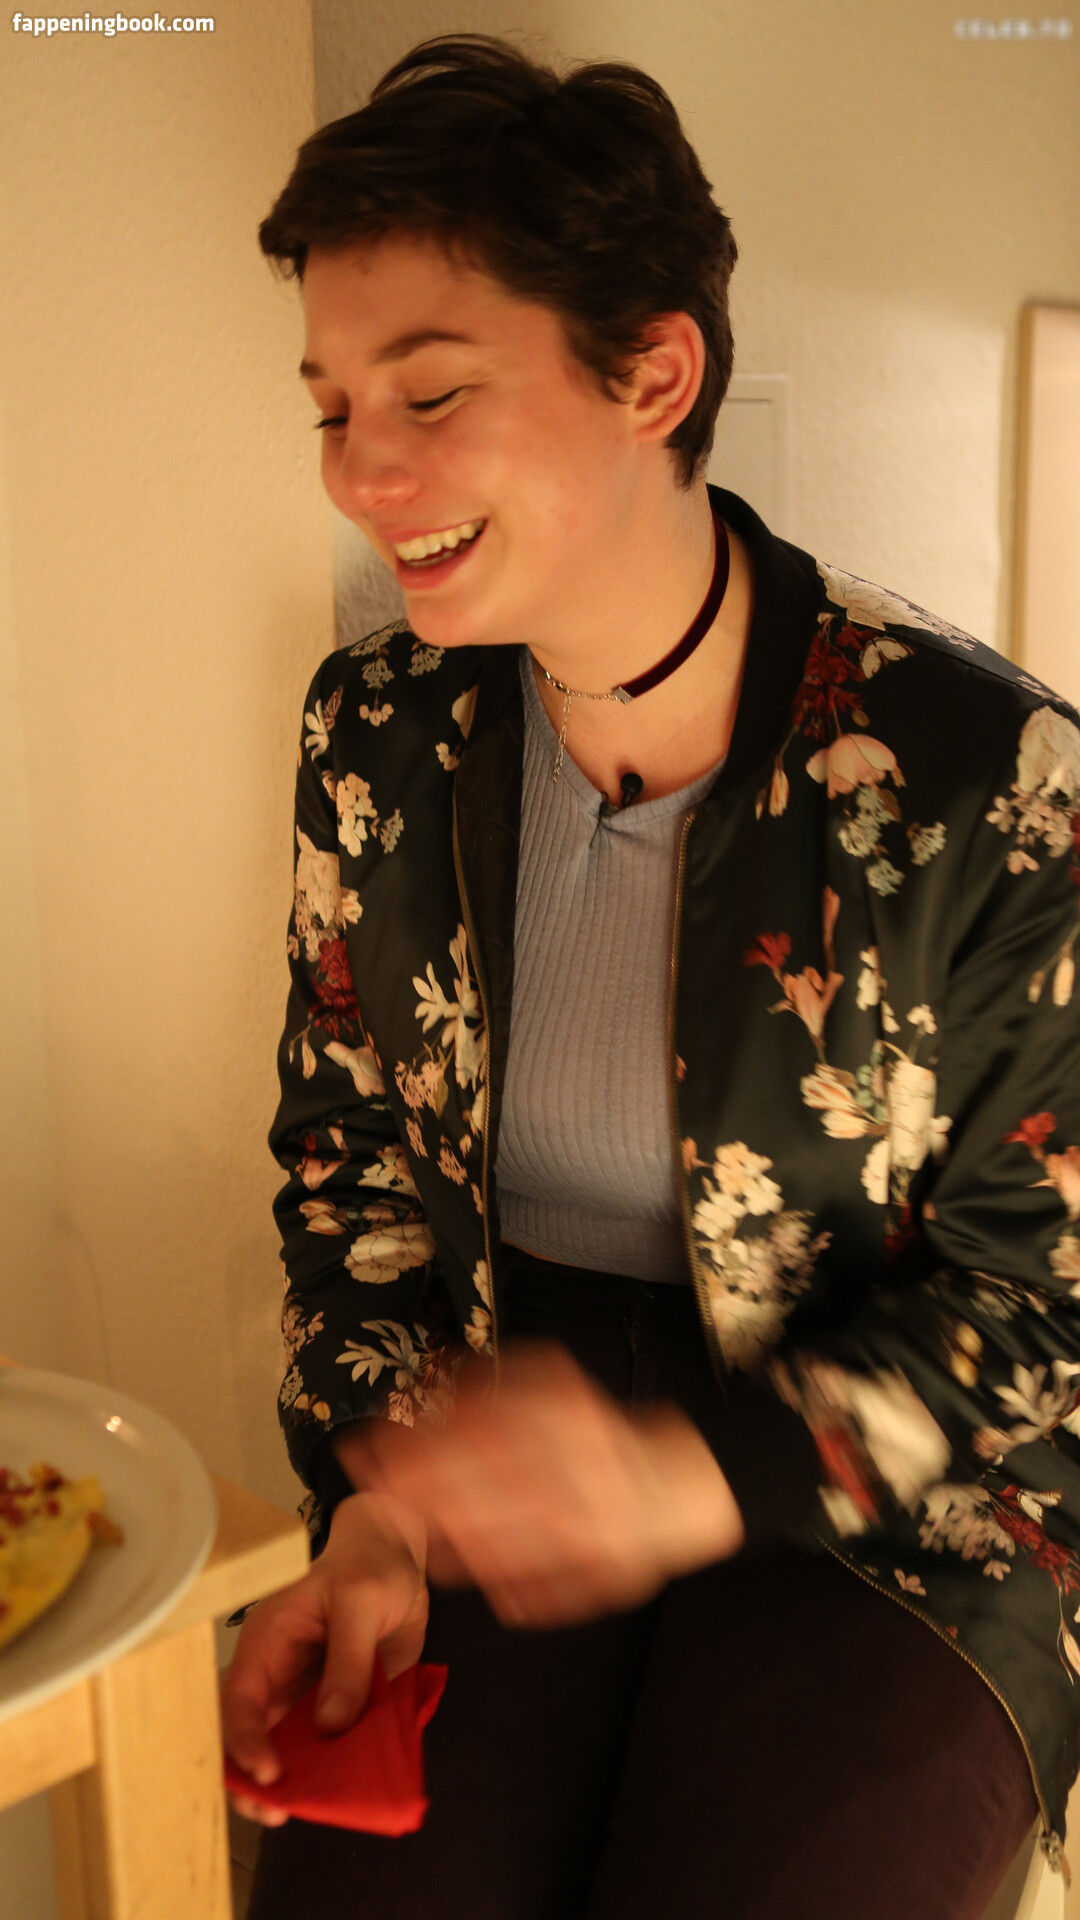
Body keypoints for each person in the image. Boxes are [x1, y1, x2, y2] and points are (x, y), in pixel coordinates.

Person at [219, 34, 1080, 1919]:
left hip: (902, 1494)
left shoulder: (990, 786)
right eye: (332, 405)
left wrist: (686, 1481)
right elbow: (346, 1167)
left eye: (430, 390)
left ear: (655, 373)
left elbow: (1042, 1303)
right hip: (494, 1422)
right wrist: (370, 1515)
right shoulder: (376, 735)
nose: (362, 472)